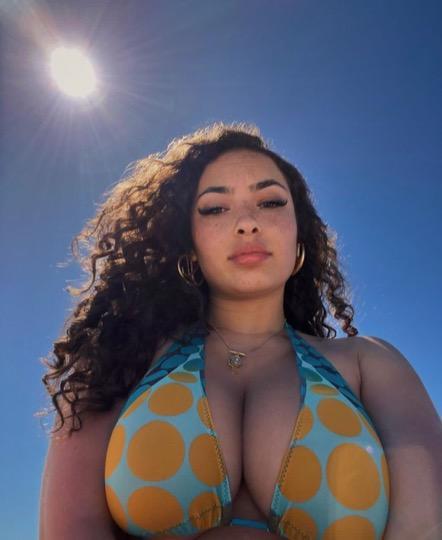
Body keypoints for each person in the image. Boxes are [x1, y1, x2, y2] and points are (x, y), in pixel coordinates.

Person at [39, 122, 441, 540]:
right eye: (215, 208)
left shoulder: (369, 365)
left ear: (300, 235)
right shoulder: (117, 356)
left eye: (270, 202)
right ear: (188, 243)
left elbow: (427, 526)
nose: (247, 222)